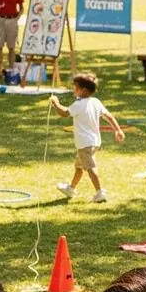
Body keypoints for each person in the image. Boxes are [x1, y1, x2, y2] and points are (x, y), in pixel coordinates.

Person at [50, 72, 124, 204]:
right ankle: (71, 188)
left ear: (83, 90)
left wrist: (55, 103)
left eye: (76, 87)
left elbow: (64, 113)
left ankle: (99, 192)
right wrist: (118, 130)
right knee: (79, 167)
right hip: (94, 142)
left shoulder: (79, 105)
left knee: (90, 167)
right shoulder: (96, 102)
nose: (74, 89)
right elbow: (109, 116)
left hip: (85, 144)